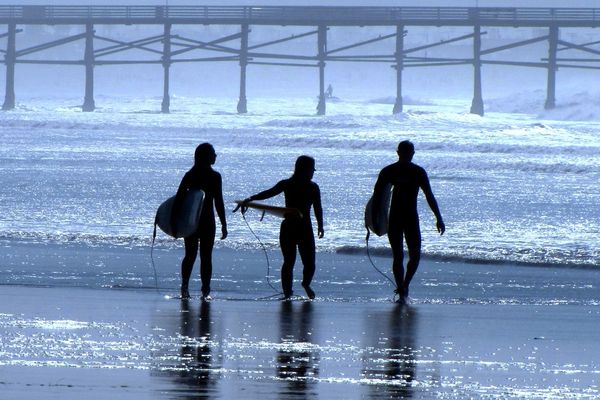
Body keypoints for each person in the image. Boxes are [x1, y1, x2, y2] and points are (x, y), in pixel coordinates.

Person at [240, 156, 324, 300]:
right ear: (303, 169)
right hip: (291, 227)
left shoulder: (313, 187)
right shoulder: (287, 184)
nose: (312, 173)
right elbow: (269, 193)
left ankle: (306, 283)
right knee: (289, 261)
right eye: (311, 170)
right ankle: (287, 292)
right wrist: (251, 199)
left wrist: (321, 225)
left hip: (303, 228)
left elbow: (318, 208)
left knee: (310, 262)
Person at [371, 140, 444, 304]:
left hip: (402, 217)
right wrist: (438, 218)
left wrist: (438, 217)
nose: (408, 155)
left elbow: (429, 195)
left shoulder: (403, 171)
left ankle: (403, 287)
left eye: (409, 153)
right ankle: (403, 288)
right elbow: (377, 196)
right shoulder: (403, 171)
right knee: (407, 255)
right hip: (404, 217)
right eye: (407, 152)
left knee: (408, 256)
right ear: (402, 153)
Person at [172, 143, 227, 300]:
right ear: (206, 156)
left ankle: (185, 287)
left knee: (190, 255)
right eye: (213, 153)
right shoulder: (214, 176)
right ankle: (205, 291)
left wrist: (175, 221)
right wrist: (224, 224)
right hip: (205, 221)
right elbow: (219, 202)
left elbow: (179, 200)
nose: (215, 156)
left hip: (191, 221)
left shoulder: (190, 174)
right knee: (205, 256)